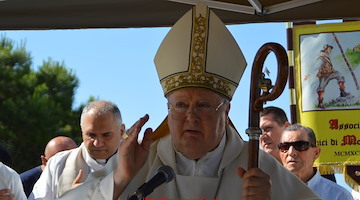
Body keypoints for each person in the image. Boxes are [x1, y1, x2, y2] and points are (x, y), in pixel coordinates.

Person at [60, 3, 321, 200]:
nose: (191, 117)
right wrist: (121, 177)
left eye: (204, 105)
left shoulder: (257, 166)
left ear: (226, 110)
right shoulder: (140, 161)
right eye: (181, 106)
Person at [29, 100, 125, 199]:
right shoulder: (58, 164)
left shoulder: (138, 163)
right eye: (91, 135)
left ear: (121, 131)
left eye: (106, 135)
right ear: (82, 131)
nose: (98, 143)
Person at [279, 123, 353, 200]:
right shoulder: (269, 192)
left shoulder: (338, 196)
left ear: (316, 152)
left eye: (300, 145)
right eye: (285, 147)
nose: (291, 152)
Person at [313, 44, 350, 108]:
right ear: (325, 50)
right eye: (329, 49)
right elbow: (316, 67)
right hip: (324, 75)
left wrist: (333, 70)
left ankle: (342, 92)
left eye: (330, 49)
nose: (330, 51)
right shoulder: (321, 58)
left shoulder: (327, 56)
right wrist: (317, 72)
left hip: (331, 73)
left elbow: (329, 65)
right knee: (321, 88)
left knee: (340, 76)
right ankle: (320, 102)